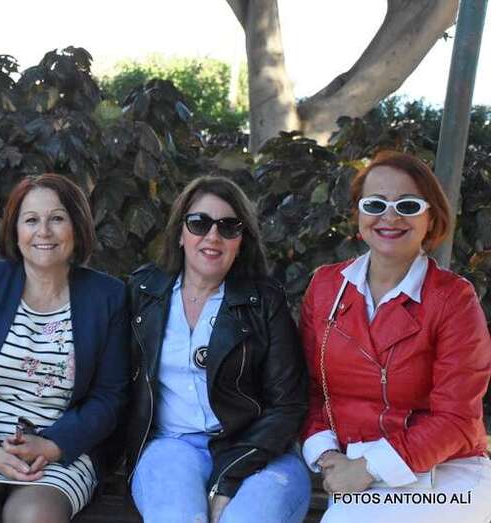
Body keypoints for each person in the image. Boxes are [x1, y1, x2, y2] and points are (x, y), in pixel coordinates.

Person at [0, 173, 129, 523]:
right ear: (15, 230)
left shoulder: (107, 297)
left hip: (61, 447)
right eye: (31, 220)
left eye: (57, 219)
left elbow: (110, 396)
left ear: (77, 227)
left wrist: (53, 444)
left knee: (34, 516)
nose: (43, 231)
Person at [300, 151, 491, 522]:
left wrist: (369, 467)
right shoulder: (325, 287)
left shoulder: (454, 299)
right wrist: (327, 456)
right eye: (375, 204)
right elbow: (307, 390)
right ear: (359, 215)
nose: (390, 217)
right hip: (351, 469)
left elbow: (455, 418)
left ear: (431, 217)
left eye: (408, 205)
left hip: (446, 470)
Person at [126, 175, 311, 523]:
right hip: (171, 447)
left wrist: (228, 479)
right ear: (180, 233)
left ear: (241, 241)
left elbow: (289, 404)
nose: (213, 236)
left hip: (259, 451)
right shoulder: (143, 292)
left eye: (228, 227)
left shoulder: (265, 301)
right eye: (199, 223)